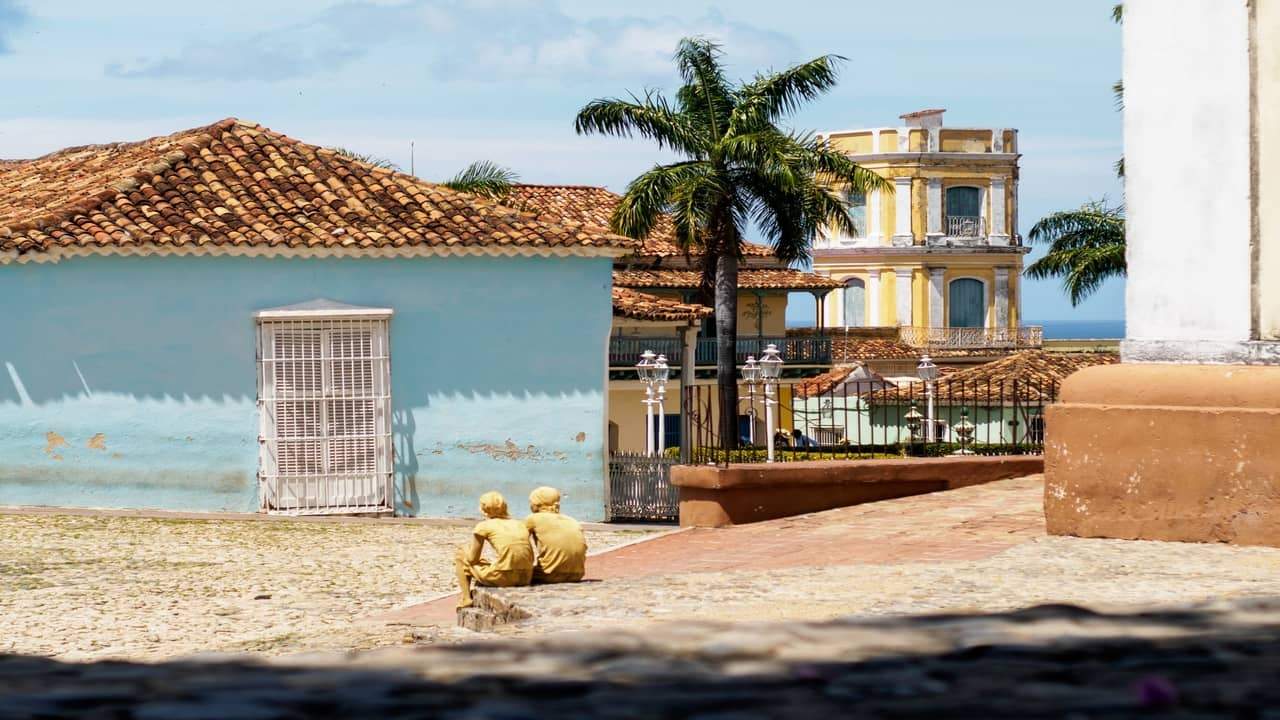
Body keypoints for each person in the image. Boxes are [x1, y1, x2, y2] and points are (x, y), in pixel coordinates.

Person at [454, 491, 534, 609]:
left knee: (461, 554)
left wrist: (467, 551)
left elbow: (472, 559)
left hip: (503, 577)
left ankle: (466, 598)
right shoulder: (519, 524)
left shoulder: (483, 526)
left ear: (483, 509)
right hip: (526, 577)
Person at [524, 486, 587, 584]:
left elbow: (517, 539)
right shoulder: (572, 520)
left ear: (536, 503)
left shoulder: (533, 519)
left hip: (549, 574)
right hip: (577, 574)